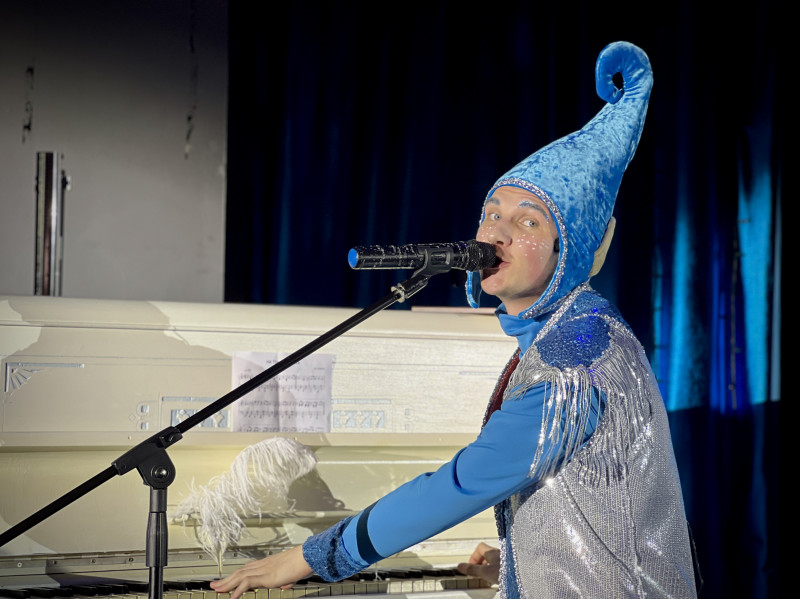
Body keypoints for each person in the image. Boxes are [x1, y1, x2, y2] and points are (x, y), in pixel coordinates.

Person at [211, 41, 697, 599]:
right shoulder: (559, 332)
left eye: (529, 222)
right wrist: (521, 559)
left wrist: (308, 557)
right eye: (491, 214)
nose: (497, 232)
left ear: (570, 249)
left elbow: (462, 484)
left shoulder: (577, 354)